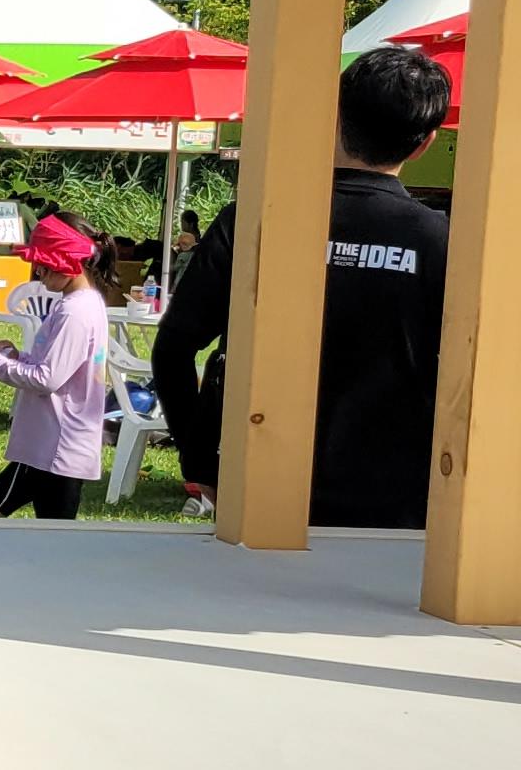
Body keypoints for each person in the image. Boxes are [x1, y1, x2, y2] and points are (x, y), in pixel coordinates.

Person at [152, 45, 455, 527]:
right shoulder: (443, 241)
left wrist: (200, 460)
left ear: (334, 115)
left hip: (261, 482)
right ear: (426, 143)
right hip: (397, 496)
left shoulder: (253, 221)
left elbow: (173, 348)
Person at [0, 211, 111, 520]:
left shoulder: (75, 313)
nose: (38, 272)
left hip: (52, 449)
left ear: (67, 261)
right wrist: (14, 357)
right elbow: (58, 367)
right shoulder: (81, 305)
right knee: (51, 535)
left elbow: (48, 379)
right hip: (56, 446)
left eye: (44, 264)